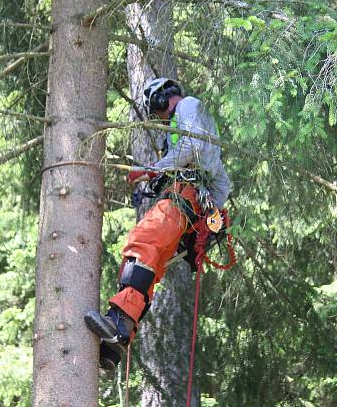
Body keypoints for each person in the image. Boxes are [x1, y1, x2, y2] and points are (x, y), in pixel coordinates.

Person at [84, 77, 231, 371]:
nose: (160, 118)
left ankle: (118, 321)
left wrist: (151, 170)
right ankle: (118, 339)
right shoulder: (180, 130)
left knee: (143, 241)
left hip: (184, 199)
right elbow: (220, 183)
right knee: (150, 269)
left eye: (157, 109)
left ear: (164, 98)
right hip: (188, 205)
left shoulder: (189, 106)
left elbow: (190, 149)